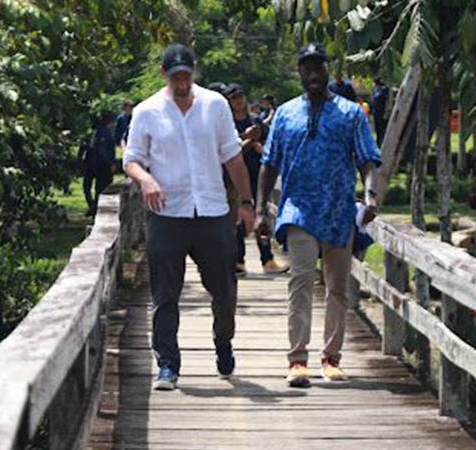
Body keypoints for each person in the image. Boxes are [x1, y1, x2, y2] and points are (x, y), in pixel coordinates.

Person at [123, 44, 255, 391]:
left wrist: (246, 202)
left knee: (224, 290)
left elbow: (233, 158)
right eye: (175, 76)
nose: (181, 82)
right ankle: (168, 364)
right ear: (164, 74)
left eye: (186, 75)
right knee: (165, 294)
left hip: (212, 211)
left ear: (193, 71)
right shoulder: (147, 111)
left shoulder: (215, 105)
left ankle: (223, 341)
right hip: (167, 213)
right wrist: (147, 179)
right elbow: (131, 159)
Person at [255, 42, 381, 388]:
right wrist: (260, 210)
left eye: (318, 67)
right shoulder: (284, 114)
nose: (312, 73)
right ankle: (297, 360)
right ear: (299, 72)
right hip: (298, 209)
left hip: (339, 211)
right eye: (306, 67)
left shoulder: (351, 113)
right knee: (300, 282)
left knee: (337, 288)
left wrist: (370, 194)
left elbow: (367, 158)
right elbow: (268, 165)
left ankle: (331, 358)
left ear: (327, 69)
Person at [224, 83, 288, 276]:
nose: (239, 100)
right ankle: (238, 260)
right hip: (235, 178)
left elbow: (270, 146)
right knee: (238, 219)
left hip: (257, 174)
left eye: (241, 95)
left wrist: (260, 146)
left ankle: (267, 259)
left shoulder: (257, 121)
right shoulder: (227, 124)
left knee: (262, 215)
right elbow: (228, 150)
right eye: (234, 97)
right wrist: (247, 140)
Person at [82, 111, 116, 216]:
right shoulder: (106, 133)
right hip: (102, 165)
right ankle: (95, 208)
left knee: (87, 187)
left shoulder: (93, 132)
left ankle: (92, 206)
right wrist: (111, 163)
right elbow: (103, 151)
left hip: (90, 163)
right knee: (102, 189)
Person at [371, 76, 389, 146]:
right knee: (377, 128)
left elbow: (382, 99)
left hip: (382, 111)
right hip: (376, 112)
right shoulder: (375, 89)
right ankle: (378, 142)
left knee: (382, 128)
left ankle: (382, 142)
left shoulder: (383, 89)